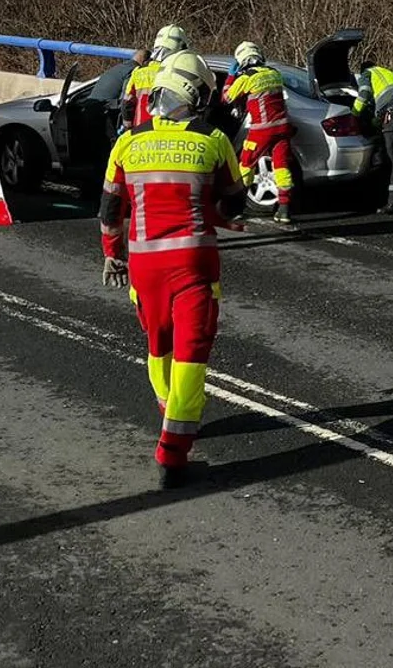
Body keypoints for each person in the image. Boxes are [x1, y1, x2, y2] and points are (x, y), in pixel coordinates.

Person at [99, 63, 246, 488]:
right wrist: (213, 210)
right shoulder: (213, 141)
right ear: (196, 95)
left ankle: (168, 410)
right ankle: (173, 453)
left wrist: (113, 255)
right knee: (191, 355)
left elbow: (110, 210)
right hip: (193, 265)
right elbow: (235, 203)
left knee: (158, 345)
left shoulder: (127, 143)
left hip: (144, 266)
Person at [223, 41, 296, 224]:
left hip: (261, 130)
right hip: (283, 127)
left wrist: (231, 77)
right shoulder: (275, 74)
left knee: (246, 164)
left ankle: (237, 207)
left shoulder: (247, 77)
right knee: (281, 166)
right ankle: (284, 210)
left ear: (242, 60)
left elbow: (226, 98)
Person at [356, 61, 393, 214]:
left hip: (392, 113)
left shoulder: (367, 74)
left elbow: (363, 96)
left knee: (392, 158)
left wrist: (354, 114)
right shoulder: (388, 73)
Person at [120, 25, 191, 130]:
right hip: (170, 134)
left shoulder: (138, 72)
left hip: (140, 133)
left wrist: (128, 129)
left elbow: (127, 104)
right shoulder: (180, 73)